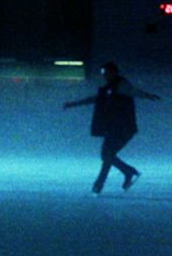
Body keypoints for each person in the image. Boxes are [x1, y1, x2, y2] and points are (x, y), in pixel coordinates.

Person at [62, 61, 161, 193]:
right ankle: (104, 182)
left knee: (107, 155)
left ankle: (115, 177)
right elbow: (96, 99)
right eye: (103, 73)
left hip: (122, 127)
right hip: (117, 127)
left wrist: (148, 96)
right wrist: (74, 104)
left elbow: (133, 91)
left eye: (106, 72)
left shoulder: (120, 85)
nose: (104, 75)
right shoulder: (110, 88)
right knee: (108, 155)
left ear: (113, 72)